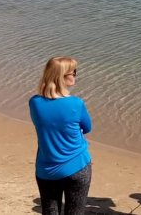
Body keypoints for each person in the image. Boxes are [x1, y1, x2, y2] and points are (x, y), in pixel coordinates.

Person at [29, 57, 92, 215]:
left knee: (50, 211)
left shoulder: (34, 102)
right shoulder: (76, 103)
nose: (75, 76)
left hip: (46, 168)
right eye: (73, 72)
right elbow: (88, 127)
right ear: (62, 76)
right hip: (77, 165)